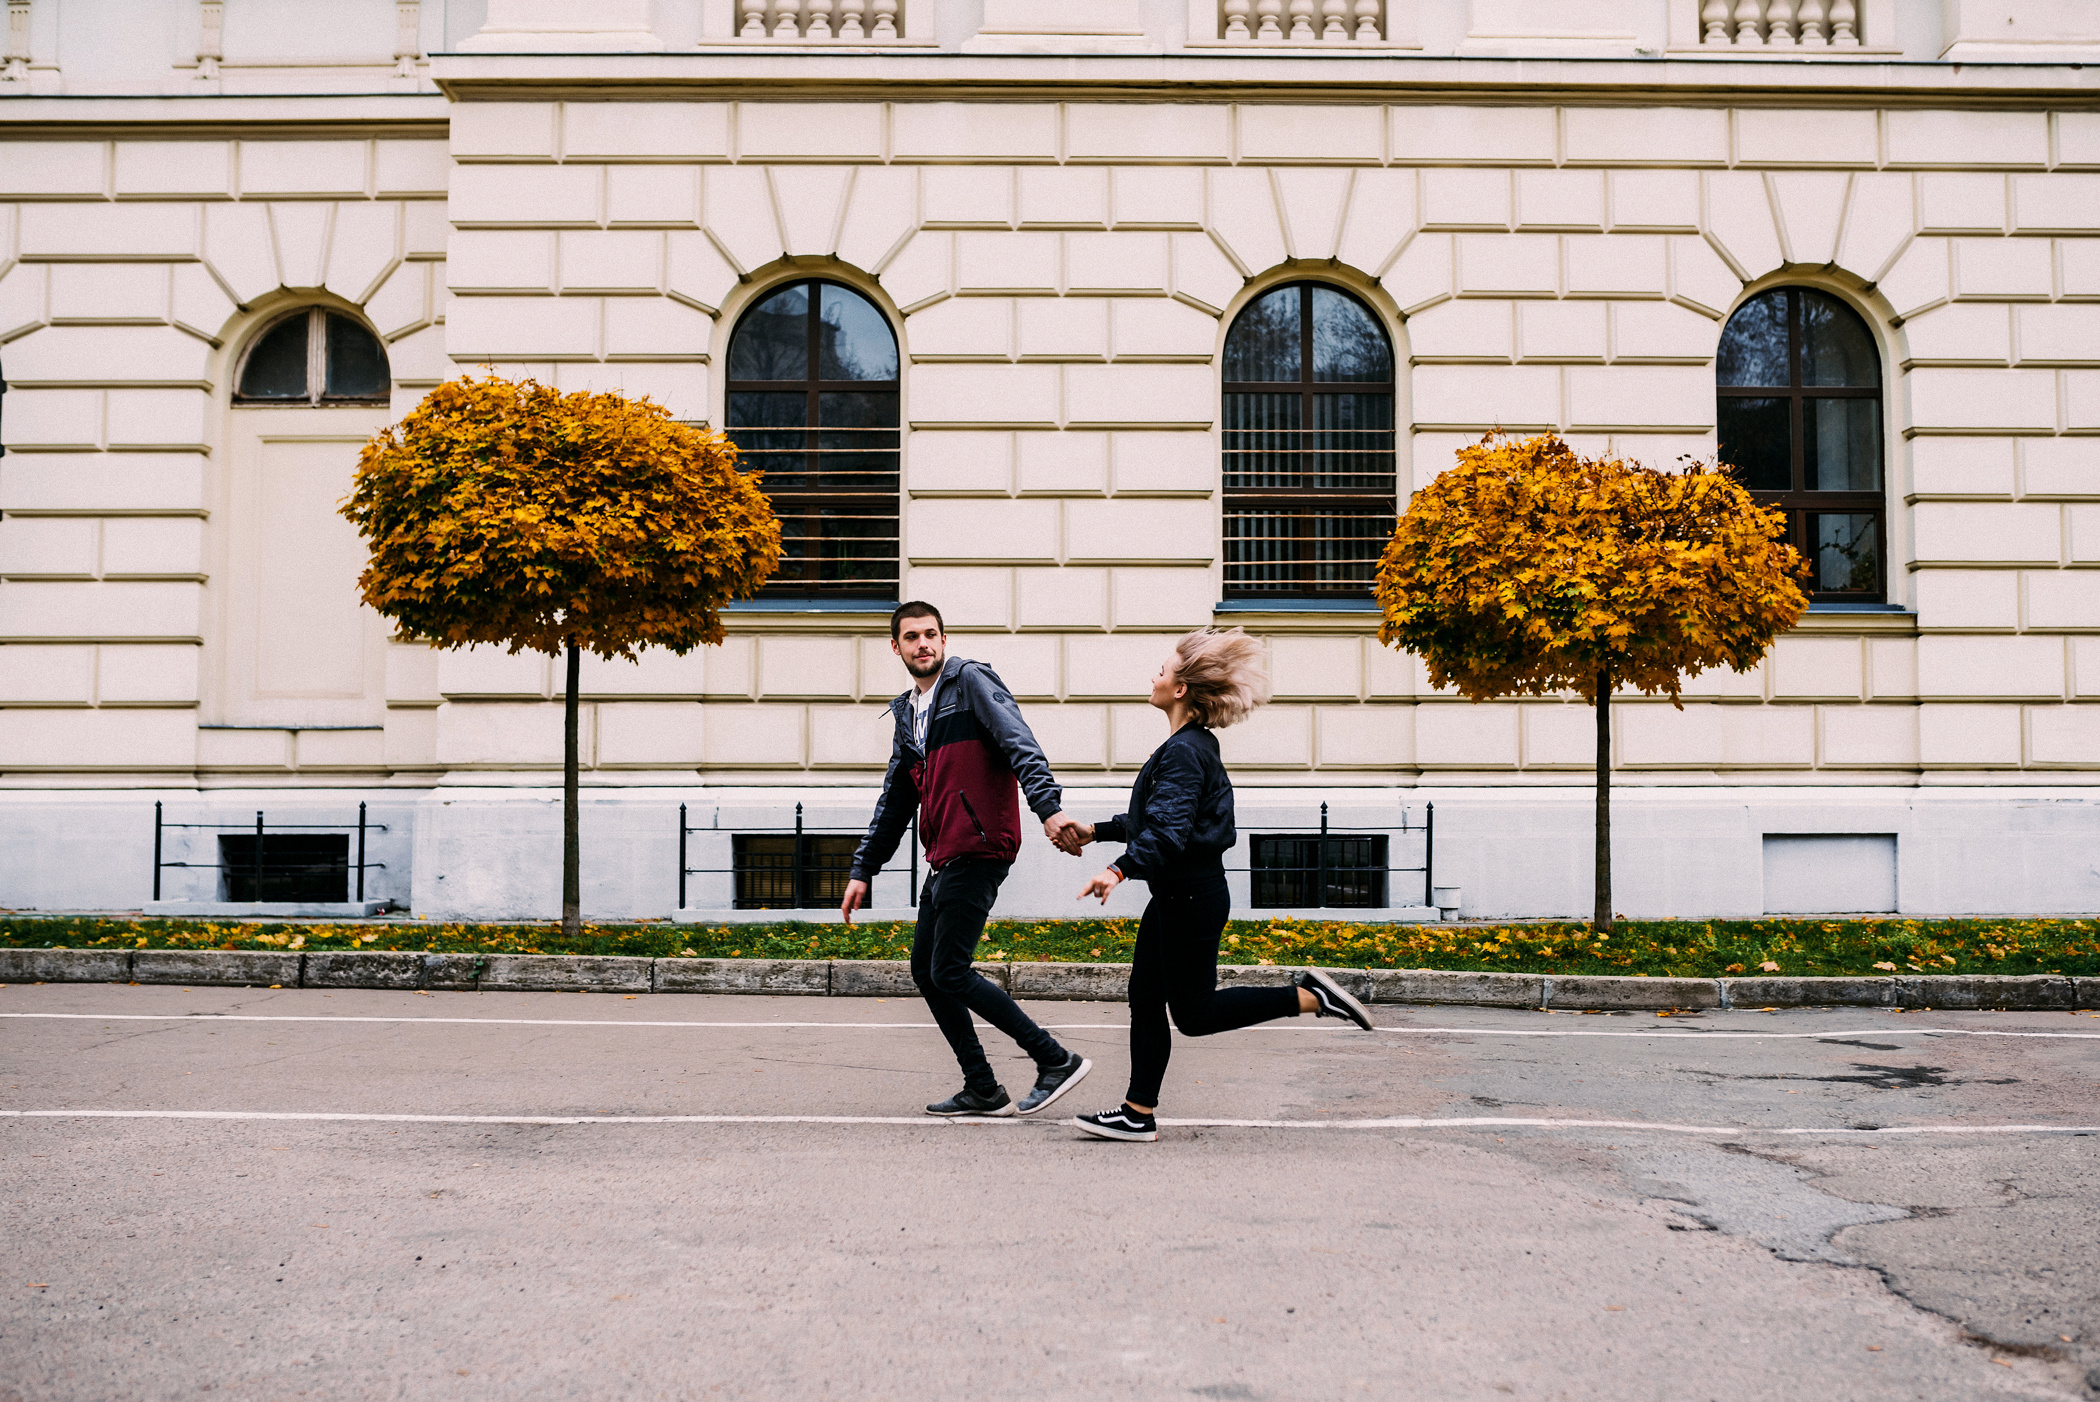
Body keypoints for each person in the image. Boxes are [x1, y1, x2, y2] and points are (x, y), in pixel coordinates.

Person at [1063, 627, 1374, 1143]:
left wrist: (1118, 869)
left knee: (1195, 1014)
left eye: (1162, 671)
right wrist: (1097, 831)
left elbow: (1167, 831)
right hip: (1177, 895)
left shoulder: (1185, 751)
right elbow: (1158, 818)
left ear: (1181, 689)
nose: (1154, 677)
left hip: (1189, 895)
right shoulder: (1189, 746)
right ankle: (1137, 1113)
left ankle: (1310, 996)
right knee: (1145, 996)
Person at [841, 601, 1093, 1119]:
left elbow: (1019, 743)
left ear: (944, 639)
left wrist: (1048, 809)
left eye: (931, 634)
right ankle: (981, 1086)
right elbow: (895, 800)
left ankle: (1054, 1058)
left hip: (979, 845)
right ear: (897, 647)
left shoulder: (971, 682)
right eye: (911, 637)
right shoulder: (910, 712)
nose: (923, 644)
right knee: (927, 970)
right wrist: (864, 868)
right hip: (946, 853)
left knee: (949, 970)